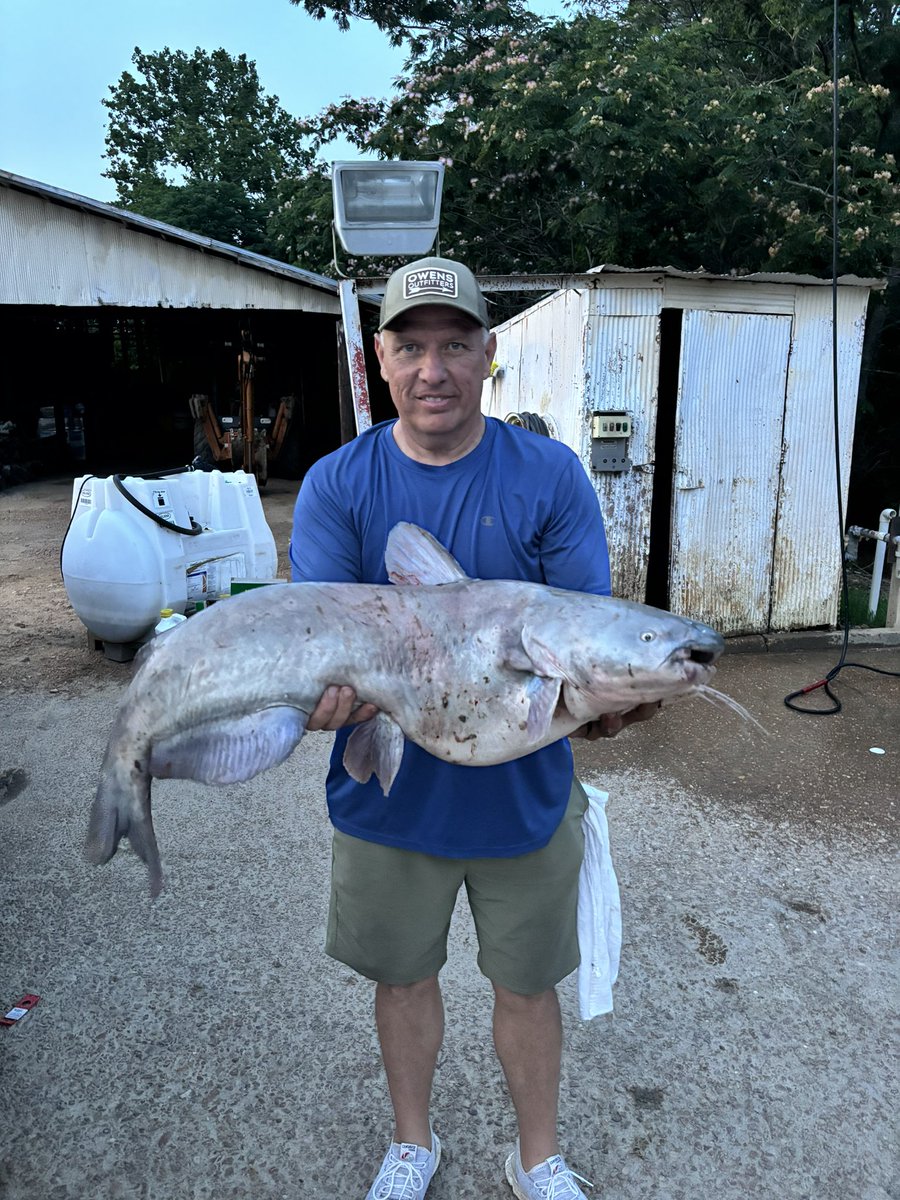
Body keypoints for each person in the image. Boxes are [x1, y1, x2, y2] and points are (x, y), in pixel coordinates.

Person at [289, 256, 657, 1200]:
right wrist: (320, 697)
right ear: (379, 358)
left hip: (526, 796)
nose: (433, 369)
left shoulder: (550, 476)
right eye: (410, 346)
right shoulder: (338, 484)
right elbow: (319, 639)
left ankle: (537, 1156)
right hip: (385, 794)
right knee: (403, 979)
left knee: (527, 987)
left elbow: (589, 637)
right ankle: (413, 1144)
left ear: (488, 353)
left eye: (456, 345)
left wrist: (619, 701)